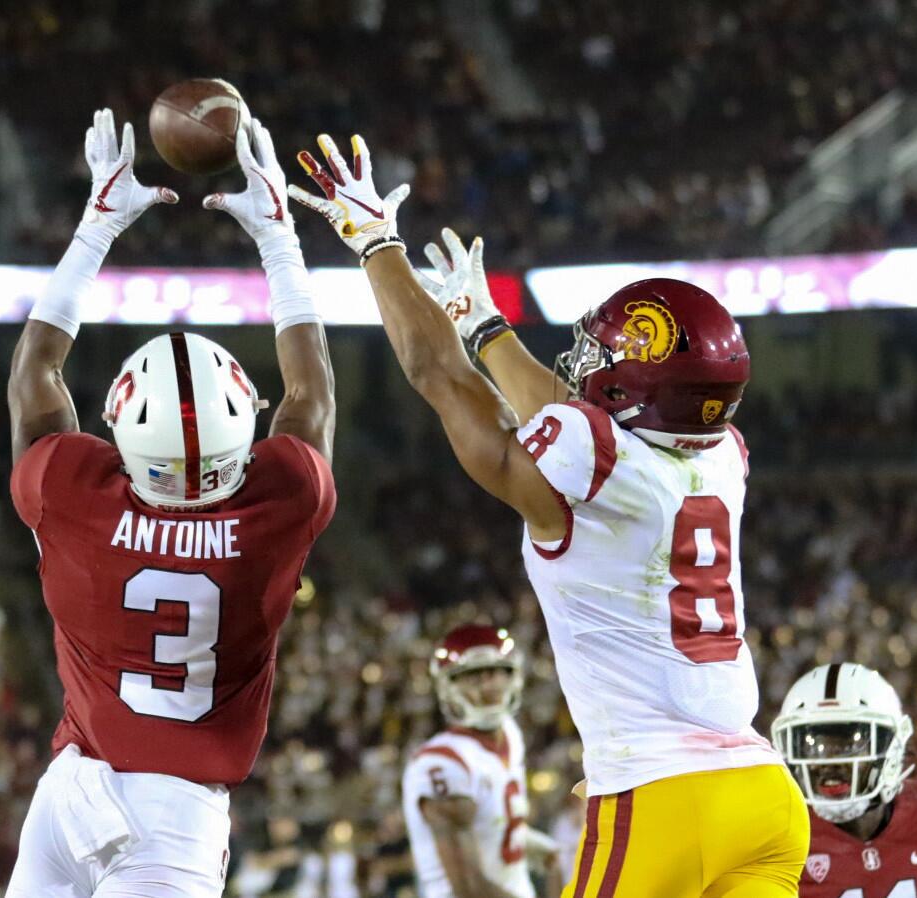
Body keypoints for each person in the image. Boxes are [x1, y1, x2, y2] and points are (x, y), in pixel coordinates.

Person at [289, 132, 806, 897]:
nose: (584, 368)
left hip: (662, 797)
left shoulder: (594, 462)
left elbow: (440, 376)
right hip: (764, 800)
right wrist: (486, 327)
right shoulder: (722, 451)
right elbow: (577, 422)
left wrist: (377, 244)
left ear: (635, 389)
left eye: (602, 359)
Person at [5, 109, 336, 898]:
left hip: (71, 788)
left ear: (117, 423)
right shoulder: (286, 496)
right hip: (177, 814)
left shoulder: (71, 492)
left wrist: (95, 228)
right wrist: (278, 239)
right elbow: (310, 394)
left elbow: (35, 377)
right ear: (245, 420)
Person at [773, 662, 917, 897]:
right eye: (813, 747)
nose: (829, 763)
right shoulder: (774, 839)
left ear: (893, 746)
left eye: (852, 745)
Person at [402, 624, 561, 898]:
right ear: (447, 686)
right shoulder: (441, 764)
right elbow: (469, 889)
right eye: (473, 676)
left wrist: (528, 842)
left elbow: (492, 822)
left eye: (497, 672)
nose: (489, 685)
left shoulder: (510, 735)